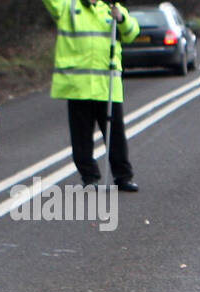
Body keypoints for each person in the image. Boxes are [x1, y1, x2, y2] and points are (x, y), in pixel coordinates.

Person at [41, 0, 140, 191]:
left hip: (107, 86)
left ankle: (123, 176)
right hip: (79, 87)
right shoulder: (67, 6)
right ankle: (90, 177)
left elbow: (132, 33)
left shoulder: (112, 8)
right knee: (81, 137)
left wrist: (121, 18)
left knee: (115, 134)